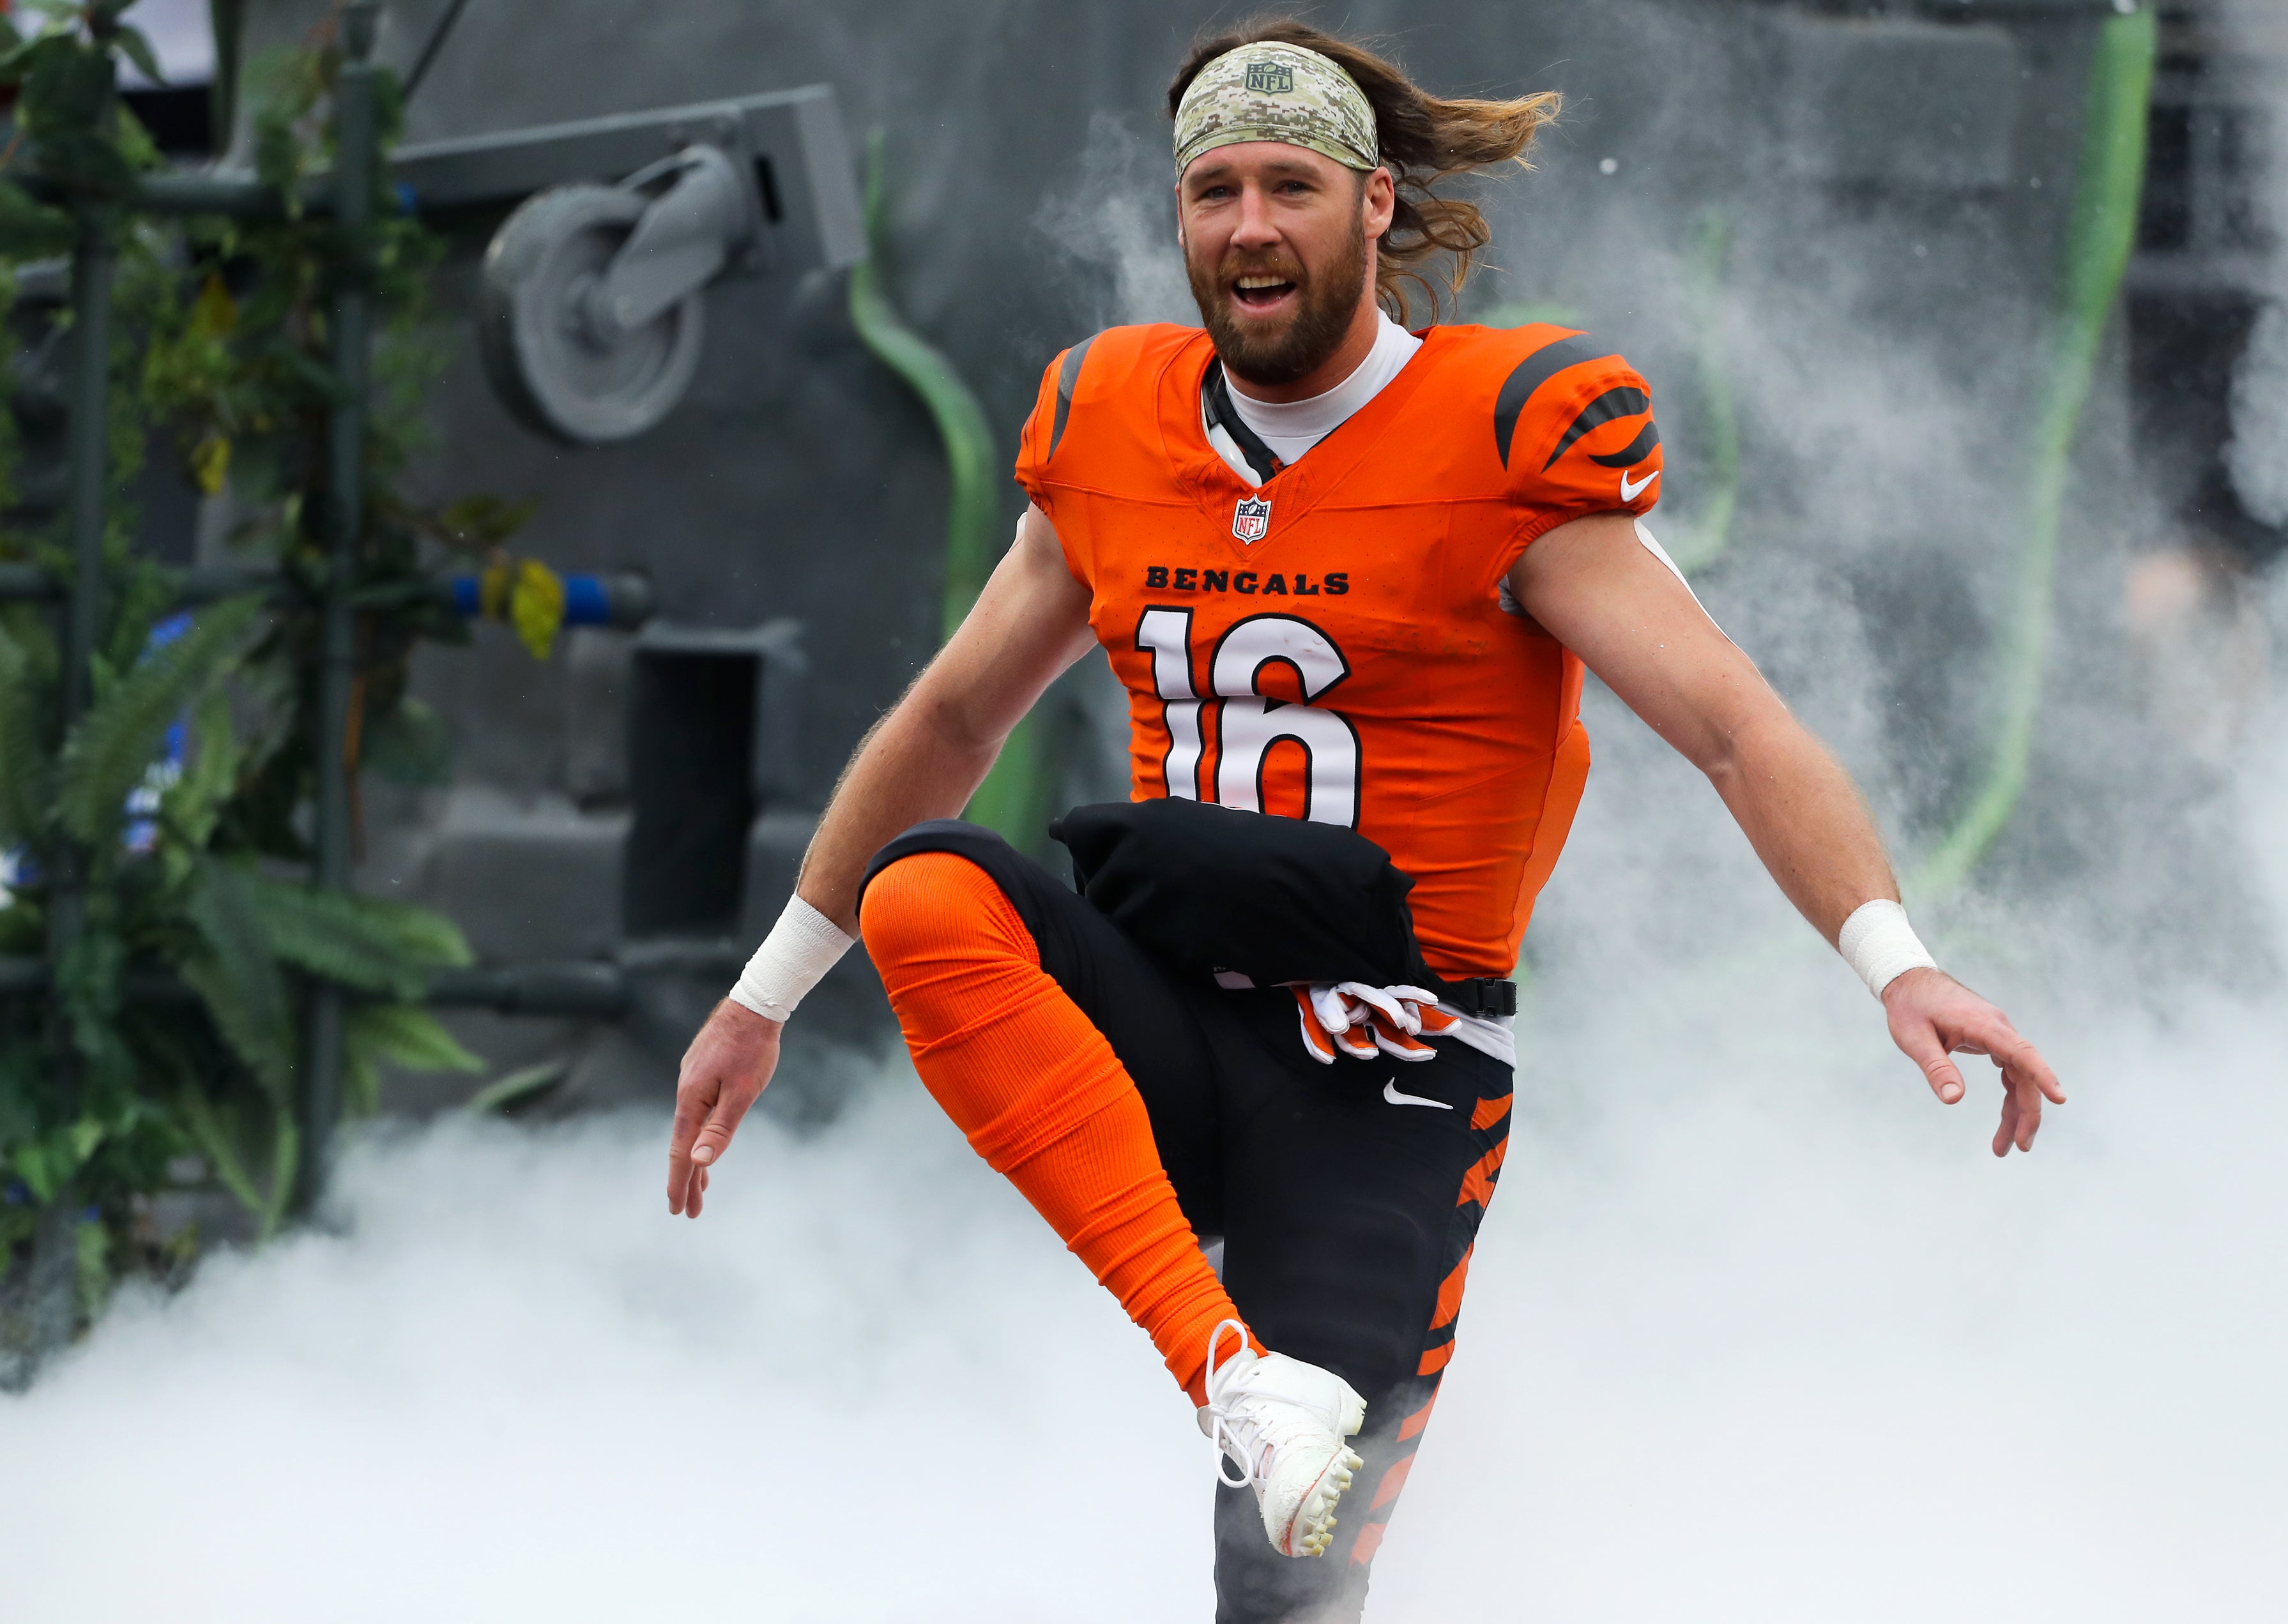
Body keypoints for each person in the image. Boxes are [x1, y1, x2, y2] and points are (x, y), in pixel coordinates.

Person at [666, 19, 2064, 1622]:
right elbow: (952, 718)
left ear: (1378, 204)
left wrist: (1900, 961)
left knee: (1285, 1594)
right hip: (1167, 1015)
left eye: (1290, 185)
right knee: (928, 897)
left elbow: (1738, 732)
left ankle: (1269, 1412)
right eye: (1213, 191)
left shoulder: (1506, 438)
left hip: (1391, 1074)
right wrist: (764, 995)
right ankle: (1229, 1372)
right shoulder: (1114, 421)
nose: (1249, 225)